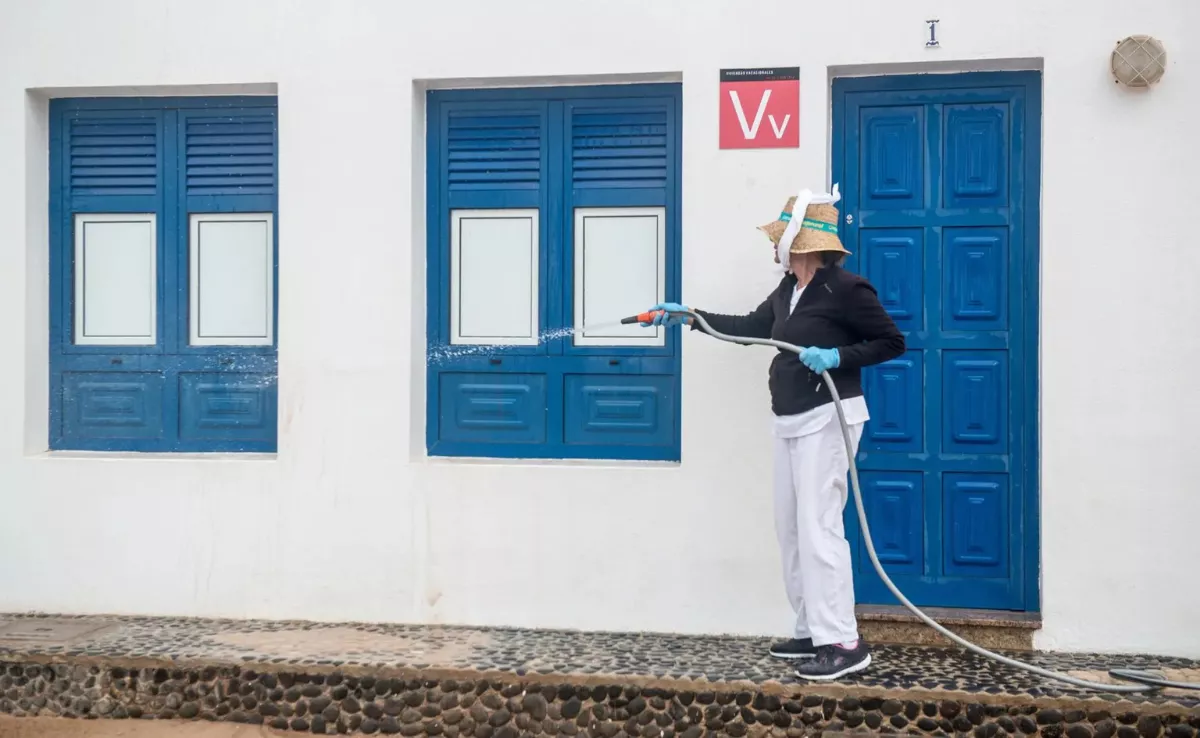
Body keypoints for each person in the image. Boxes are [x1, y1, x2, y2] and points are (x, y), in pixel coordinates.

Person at [642, 186, 905, 681]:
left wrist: (837, 357)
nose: (774, 244)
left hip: (830, 416)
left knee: (819, 526)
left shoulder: (847, 289)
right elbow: (748, 327)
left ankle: (844, 641)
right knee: (790, 528)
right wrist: (691, 318)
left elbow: (892, 341)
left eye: (780, 237)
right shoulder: (788, 289)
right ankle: (812, 628)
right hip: (789, 417)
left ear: (802, 242)